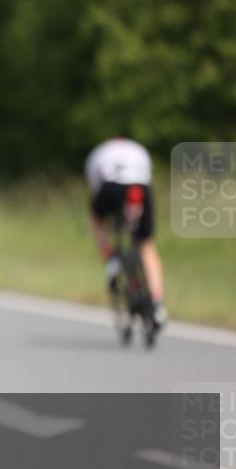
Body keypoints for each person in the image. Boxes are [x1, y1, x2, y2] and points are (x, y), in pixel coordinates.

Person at [85, 137, 166, 327]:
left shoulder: (99, 153)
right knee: (146, 245)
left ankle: (110, 258)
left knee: (96, 219)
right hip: (140, 188)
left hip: (112, 187)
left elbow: (97, 187)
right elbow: (147, 176)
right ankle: (157, 303)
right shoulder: (139, 150)